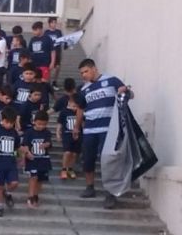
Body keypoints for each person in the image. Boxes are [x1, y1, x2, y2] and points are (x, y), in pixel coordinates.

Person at [77, 58, 132, 209]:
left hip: (108, 129)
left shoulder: (111, 80)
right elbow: (80, 108)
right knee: (88, 159)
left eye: (86, 71)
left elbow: (128, 94)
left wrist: (125, 91)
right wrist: (76, 126)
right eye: (81, 73)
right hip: (89, 129)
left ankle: (110, 193)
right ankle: (90, 187)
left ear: (94, 68)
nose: (84, 75)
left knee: (107, 160)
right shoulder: (84, 89)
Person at [0, 106, 20, 217]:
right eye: (7, 122)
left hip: (11, 163)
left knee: (14, 183)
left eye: (11, 123)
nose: (9, 125)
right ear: (2, 120)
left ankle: (7, 192)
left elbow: (16, 147)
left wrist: (19, 157)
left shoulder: (14, 133)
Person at [22, 110, 52, 208]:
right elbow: (25, 144)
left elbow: (49, 143)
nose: (41, 126)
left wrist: (46, 144)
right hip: (32, 159)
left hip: (43, 159)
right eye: (39, 124)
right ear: (34, 122)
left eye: (44, 124)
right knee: (33, 177)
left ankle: (36, 195)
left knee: (40, 179)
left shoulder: (47, 132)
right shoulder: (29, 132)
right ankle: (30, 196)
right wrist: (27, 153)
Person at [57, 93, 83, 180]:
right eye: (72, 104)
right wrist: (58, 133)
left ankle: (70, 168)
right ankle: (64, 169)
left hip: (78, 134)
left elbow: (83, 123)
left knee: (74, 153)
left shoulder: (80, 112)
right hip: (67, 134)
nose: (74, 107)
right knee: (67, 152)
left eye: (75, 105)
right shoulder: (64, 112)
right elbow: (60, 123)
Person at [44, 17, 64, 89]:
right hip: (49, 52)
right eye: (52, 22)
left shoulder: (59, 32)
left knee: (57, 67)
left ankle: (54, 82)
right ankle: (48, 83)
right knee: (49, 68)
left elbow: (62, 40)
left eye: (55, 22)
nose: (54, 24)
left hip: (57, 51)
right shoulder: (46, 32)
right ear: (49, 23)